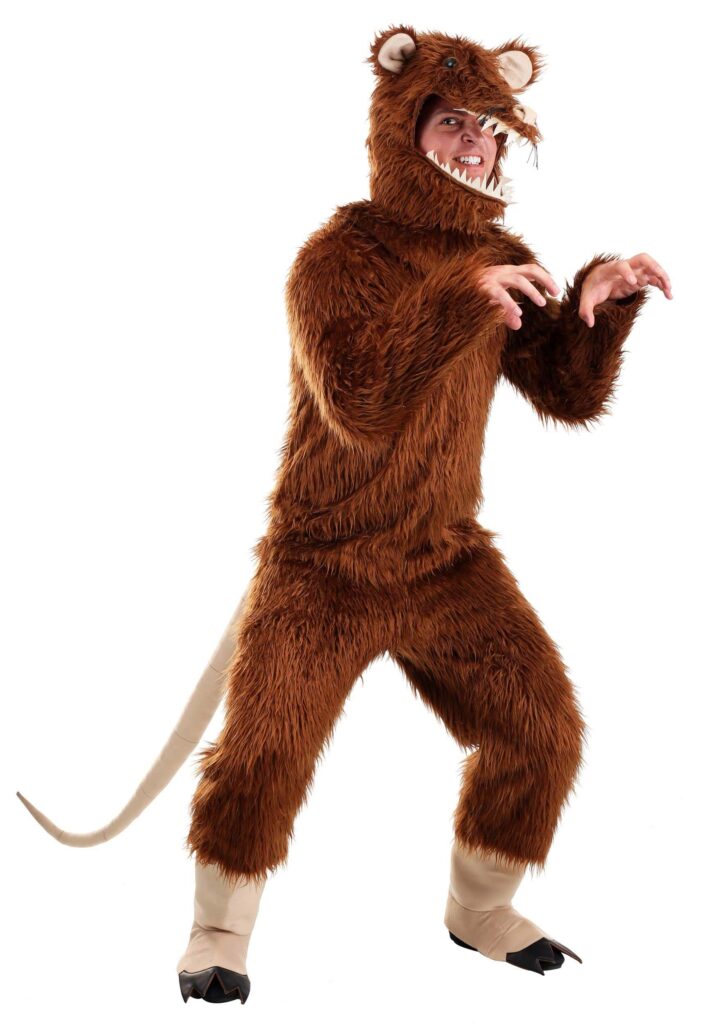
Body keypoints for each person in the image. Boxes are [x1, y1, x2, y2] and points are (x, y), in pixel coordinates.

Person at [17, 27, 672, 1002]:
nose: (474, 145)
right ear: (401, 128)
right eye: (450, 124)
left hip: (444, 560)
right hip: (320, 566)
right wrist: (461, 299)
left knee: (542, 729)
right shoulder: (335, 258)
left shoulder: (498, 255)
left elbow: (567, 394)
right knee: (263, 753)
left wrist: (596, 307)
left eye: (488, 128)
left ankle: (480, 909)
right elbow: (360, 402)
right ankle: (217, 932)